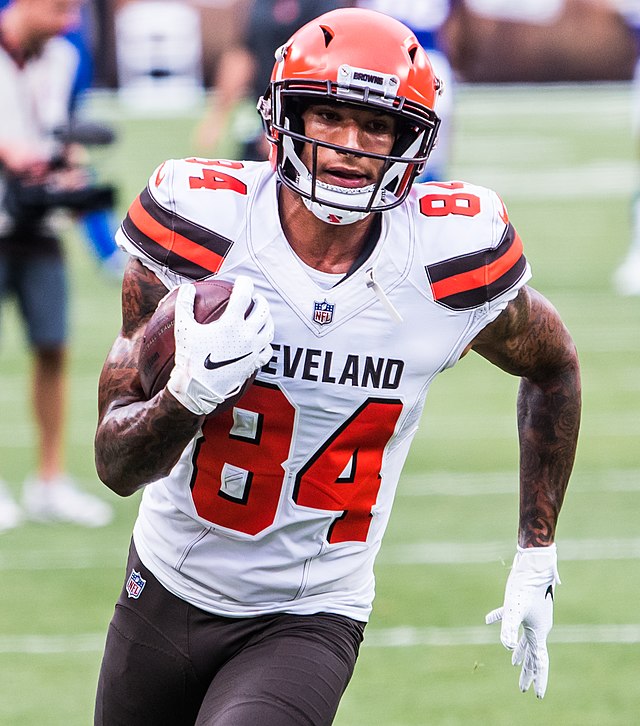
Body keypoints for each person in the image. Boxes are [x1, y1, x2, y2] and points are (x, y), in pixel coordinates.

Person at [94, 8, 581, 724]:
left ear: (412, 142)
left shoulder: (448, 259)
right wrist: (186, 397)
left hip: (309, 613)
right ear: (282, 116)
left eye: (376, 126)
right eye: (327, 116)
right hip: (164, 588)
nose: (351, 145)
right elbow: (114, 462)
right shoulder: (199, 228)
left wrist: (536, 549)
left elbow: (554, 367)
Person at [0, 0, 113, 528]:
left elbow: (61, 134)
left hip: (38, 223)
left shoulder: (65, 57)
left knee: (53, 347)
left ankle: (49, 480)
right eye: (59, 8)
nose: (68, 21)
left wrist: (67, 174)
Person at [194, 0, 348, 160]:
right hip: (265, 117)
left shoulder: (323, 5)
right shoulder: (259, 5)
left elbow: (325, 64)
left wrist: (282, 125)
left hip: (305, 122)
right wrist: (217, 116)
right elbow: (244, 55)